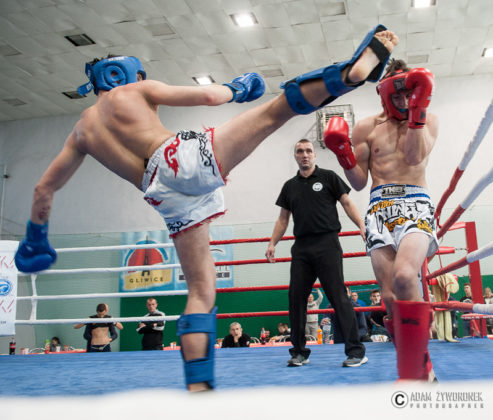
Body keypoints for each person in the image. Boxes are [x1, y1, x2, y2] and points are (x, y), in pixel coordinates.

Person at [14, 25, 397, 391]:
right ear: (125, 74)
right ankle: (349, 73)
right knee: (275, 110)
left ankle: (198, 386)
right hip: (177, 158)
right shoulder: (135, 90)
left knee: (200, 291)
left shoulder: (81, 132)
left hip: (160, 194)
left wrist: (36, 237)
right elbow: (211, 97)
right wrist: (236, 89)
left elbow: (44, 188)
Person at [324, 57, 438, 380]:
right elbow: (359, 182)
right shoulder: (366, 128)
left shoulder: (429, 119)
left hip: (415, 204)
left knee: (405, 276)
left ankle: (419, 368)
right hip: (379, 208)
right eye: (397, 94)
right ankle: (415, 364)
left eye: (409, 93)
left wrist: (417, 109)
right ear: (384, 93)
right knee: (389, 296)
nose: (403, 100)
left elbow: (414, 156)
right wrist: (343, 154)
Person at [265, 137, 368, 368]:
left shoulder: (329, 177)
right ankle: (299, 352)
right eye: (300, 151)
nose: (304, 155)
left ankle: (356, 351)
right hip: (301, 248)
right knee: (296, 299)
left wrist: (361, 225)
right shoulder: (289, 186)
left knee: (339, 297)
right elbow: (283, 219)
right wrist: (272, 243)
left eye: (308, 151)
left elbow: (347, 203)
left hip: (327, 244)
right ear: (295, 156)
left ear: (314, 154)